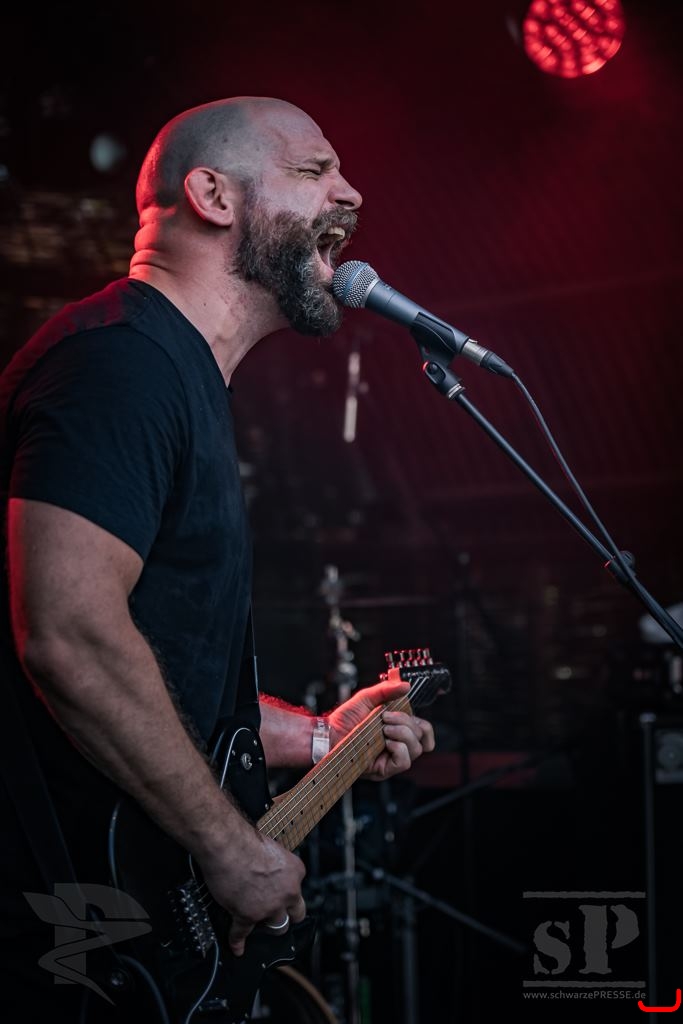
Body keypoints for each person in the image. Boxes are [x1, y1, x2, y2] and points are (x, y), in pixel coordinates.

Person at [0, 96, 436, 1023]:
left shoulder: (172, 374)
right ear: (211, 195)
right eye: (314, 171)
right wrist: (230, 849)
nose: (350, 193)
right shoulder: (120, 365)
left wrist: (323, 739)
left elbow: (166, 686)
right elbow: (70, 637)